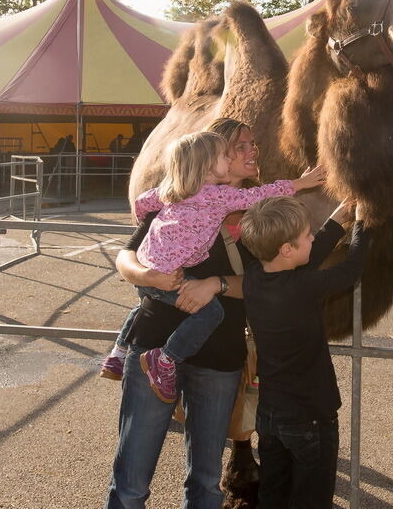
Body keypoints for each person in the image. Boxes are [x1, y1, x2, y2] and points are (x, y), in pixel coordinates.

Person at [106, 117, 269, 509]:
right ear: (217, 157)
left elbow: (272, 284)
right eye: (240, 146)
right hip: (153, 349)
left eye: (253, 144)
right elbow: (127, 255)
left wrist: (217, 284)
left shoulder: (263, 214)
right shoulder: (178, 196)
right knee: (131, 481)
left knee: (206, 483)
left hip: (220, 356)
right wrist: (148, 275)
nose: (252, 152)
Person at [99, 130, 325, 405]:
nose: (228, 159)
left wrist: (146, 220)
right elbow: (260, 194)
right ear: (206, 166)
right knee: (211, 312)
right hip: (167, 274)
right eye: (224, 155)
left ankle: (120, 351)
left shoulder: (173, 191)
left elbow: (143, 201)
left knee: (143, 301)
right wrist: (300, 183)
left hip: (151, 265)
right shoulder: (218, 197)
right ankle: (165, 359)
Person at [241, 196, 368, 508]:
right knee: (311, 499)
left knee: (273, 494)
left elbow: (305, 258)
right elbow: (351, 270)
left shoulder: (255, 277)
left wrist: (337, 219)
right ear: (287, 249)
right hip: (311, 416)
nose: (313, 237)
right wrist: (362, 224)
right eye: (308, 234)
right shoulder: (303, 286)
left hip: (271, 416)